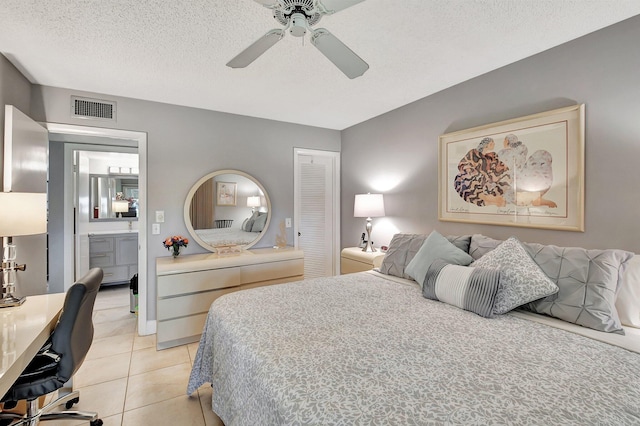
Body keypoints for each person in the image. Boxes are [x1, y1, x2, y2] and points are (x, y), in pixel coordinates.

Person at [454, 137, 510, 207]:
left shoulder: (492, 156)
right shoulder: (473, 153)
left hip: (487, 180)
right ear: (486, 144)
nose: (494, 144)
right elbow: (463, 164)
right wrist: (475, 173)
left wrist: (500, 170)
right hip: (474, 178)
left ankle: (492, 200)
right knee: (464, 178)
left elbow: (498, 167)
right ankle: (488, 199)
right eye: (492, 143)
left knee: (505, 179)